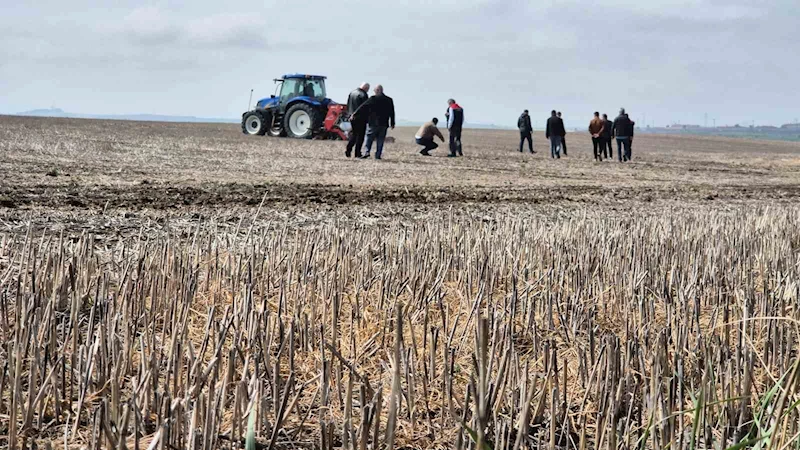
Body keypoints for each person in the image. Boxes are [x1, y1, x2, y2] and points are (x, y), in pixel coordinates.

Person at [355, 85, 395, 160]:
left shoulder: (372, 99)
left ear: (377, 90)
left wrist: (354, 114)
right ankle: (378, 155)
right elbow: (392, 112)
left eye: (375, 90)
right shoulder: (389, 100)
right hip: (384, 124)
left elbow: (362, 107)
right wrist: (392, 123)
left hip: (373, 123)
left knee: (369, 138)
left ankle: (367, 153)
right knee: (380, 140)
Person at [345, 82, 369, 158]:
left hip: (352, 117)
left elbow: (348, 104)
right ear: (366, 88)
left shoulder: (352, 93)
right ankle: (357, 153)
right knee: (360, 136)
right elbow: (365, 107)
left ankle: (348, 150)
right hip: (360, 118)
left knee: (354, 134)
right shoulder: (363, 95)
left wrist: (349, 115)